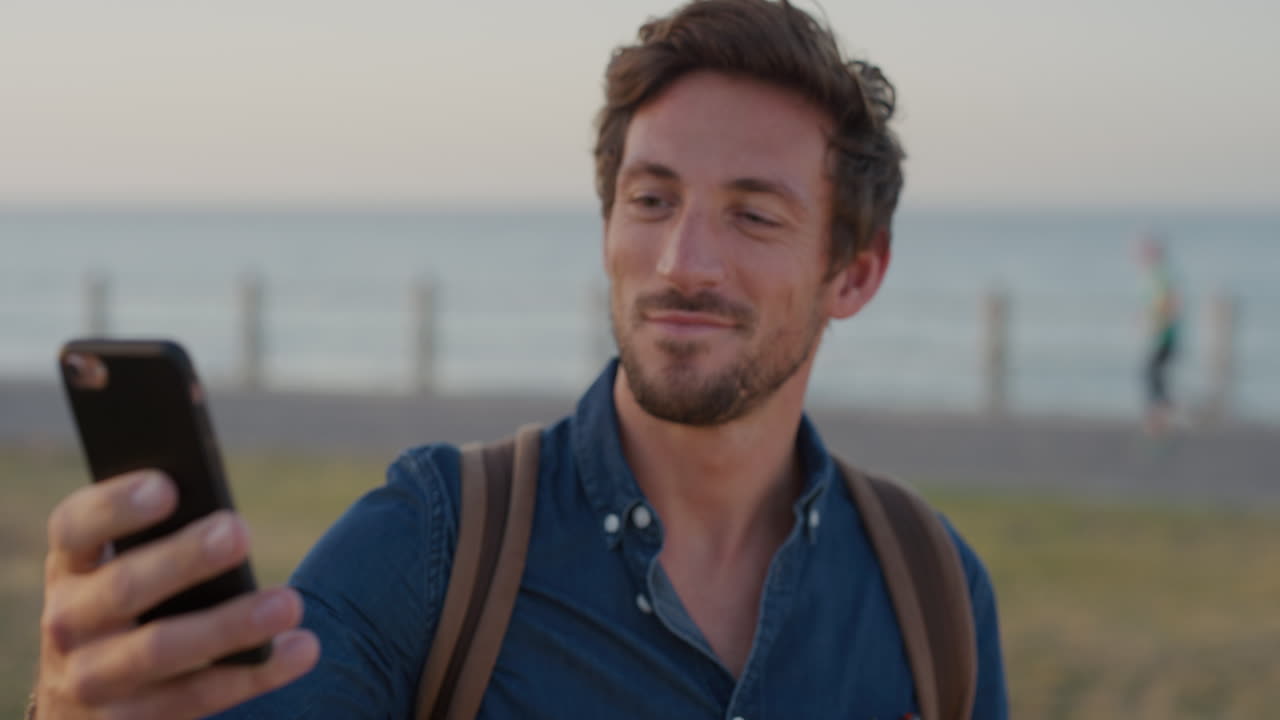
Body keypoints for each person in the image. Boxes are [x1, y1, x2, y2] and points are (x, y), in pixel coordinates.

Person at [29, 1, 1009, 717]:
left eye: (752, 214)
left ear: (853, 274)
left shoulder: (930, 595)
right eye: (651, 199)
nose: (681, 263)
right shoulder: (437, 544)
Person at [1136, 232, 1182, 436]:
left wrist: (1156, 323)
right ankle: (1162, 414)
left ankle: (1160, 417)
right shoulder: (1157, 275)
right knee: (1155, 375)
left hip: (1166, 336)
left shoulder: (1160, 275)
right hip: (1163, 335)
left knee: (1152, 373)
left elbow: (1169, 303)